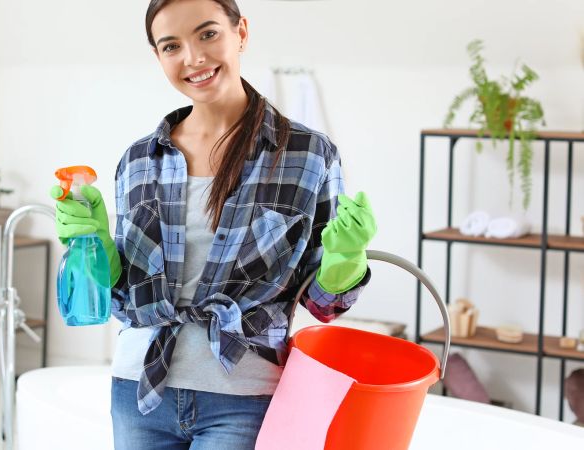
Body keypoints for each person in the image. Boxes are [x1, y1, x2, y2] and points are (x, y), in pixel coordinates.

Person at [49, 0, 377, 448]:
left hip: (242, 395)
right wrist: (96, 244)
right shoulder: (139, 160)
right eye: (172, 46)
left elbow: (323, 305)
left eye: (207, 34)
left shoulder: (307, 154)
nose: (193, 58)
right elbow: (124, 295)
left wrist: (345, 258)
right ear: (158, 57)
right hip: (138, 389)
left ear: (241, 31)